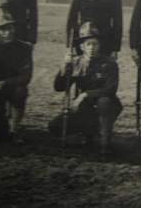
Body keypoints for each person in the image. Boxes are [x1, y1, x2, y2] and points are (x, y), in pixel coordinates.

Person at [48, 22, 122, 156]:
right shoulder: (76, 62)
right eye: (88, 44)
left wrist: (85, 95)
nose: (92, 48)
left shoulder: (109, 63)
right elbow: (59, 87)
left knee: (104, 102)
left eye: (95, 44)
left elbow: (111, 89)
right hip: (84, 107)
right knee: (54, 126)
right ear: (82, 47)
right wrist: (64, 68)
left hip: (106, 105)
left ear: (100, 46)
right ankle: (88, 131)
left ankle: (105, 143)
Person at [0, 10, 33, 143]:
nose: (7, 33)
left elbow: (26, 76)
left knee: (21, 91)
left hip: (12, 86)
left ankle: (15, 129)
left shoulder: (24, 48)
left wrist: (6, 82)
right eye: (2, 30)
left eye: (10, 28)